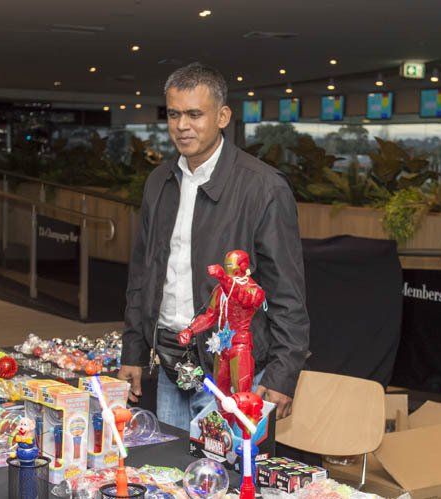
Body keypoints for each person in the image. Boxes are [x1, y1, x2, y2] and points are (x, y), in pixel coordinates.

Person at [118, 62, 309, 429]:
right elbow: (142, 275)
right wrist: (134, 352)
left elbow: (287, 291)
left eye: (194, 114)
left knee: (229, 482)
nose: (182, 126)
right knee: (174, 476)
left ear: (222, 116)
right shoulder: (159, 181)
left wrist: (283, 374)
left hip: (234, 373)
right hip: (172, 366)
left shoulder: (263, 188)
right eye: (174, 114)